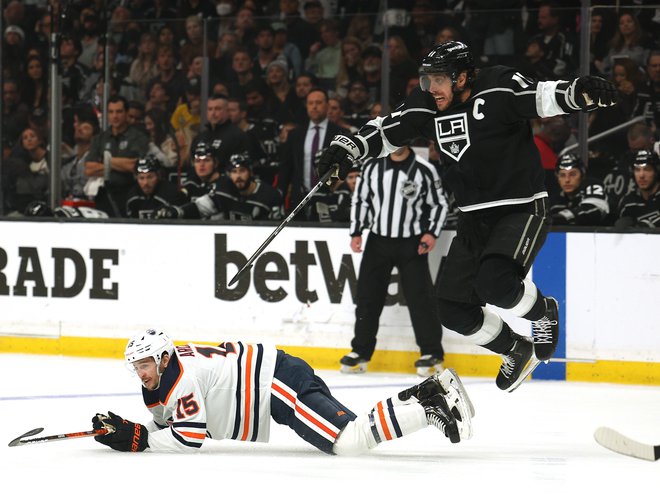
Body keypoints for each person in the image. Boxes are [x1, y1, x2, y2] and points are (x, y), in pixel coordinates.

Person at [317, 41, 618, 391]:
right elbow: (388, 130)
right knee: (452, 309)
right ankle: (515, 350)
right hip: (473, 217)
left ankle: (542, 313)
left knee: (496, 283)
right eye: (427, 79)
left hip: (521, 207)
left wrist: (580, 91)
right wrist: (347, 149)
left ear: (461, 77)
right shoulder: (427, 104)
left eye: (439, 80)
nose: (431, 88)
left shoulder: (499, 85)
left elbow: (542, 96)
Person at [90, 328, 474, 454]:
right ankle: (428, 394)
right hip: (276, 377)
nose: (139, 372)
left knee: (348, 441)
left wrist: (139, 440)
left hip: (276, 384)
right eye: (135, 366)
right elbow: (172, 421)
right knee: (351, 433)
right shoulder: (167, 374)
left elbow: (189, 437)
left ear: (160, 358)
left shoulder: (180, 379)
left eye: (143, 364)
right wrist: (135, 428)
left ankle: (428, 406)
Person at [340, 146, 448, 377]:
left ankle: (431, 353)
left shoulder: (424, 170)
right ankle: (360, 351)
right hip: (378, 241)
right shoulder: (372, 167)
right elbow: (361, 200)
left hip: (412, 243)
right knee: (368, 298)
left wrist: (432, 233)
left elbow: (439, 204)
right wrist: (356, 231)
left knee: (421, 299)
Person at [156, 152, 283, 221]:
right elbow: (201, 207)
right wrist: (177, 212)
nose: (238, 176)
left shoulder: (270, 195)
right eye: (234, 172)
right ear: (228, 174)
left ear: (251, 172)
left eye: (242, 171)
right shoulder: (224, 188)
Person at [84, 95, 150, 217]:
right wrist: (120, 165)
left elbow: (134, 165)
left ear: (126, 113)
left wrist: (106, 161)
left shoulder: (138, 137)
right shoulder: (100, 138)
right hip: (104, 194)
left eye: (119, 111)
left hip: (130, 192)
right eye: (111, 112)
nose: (115, 116)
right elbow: (88, 169)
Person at [549, 153, 610, 226]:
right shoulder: (556, 196)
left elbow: (595, 211)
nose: (567, 180)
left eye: (573, 174)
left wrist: (562, 217)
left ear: (582, 175)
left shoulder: (593, 186)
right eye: (562, 175)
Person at [616, 150, 660, 228]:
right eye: (637, 170)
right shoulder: (628, 202)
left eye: (647, 169)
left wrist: (647, 225)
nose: (641, 175)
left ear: (656, 171)